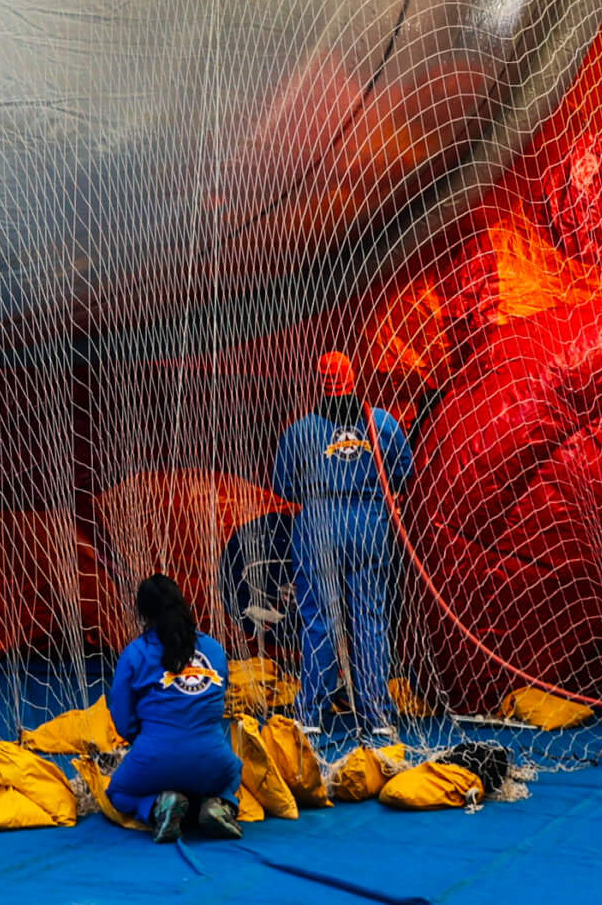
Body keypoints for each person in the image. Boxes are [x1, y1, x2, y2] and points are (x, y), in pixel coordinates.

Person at [271, 350, 413, 732]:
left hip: (319, 522)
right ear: (353, 377)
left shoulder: (299, 430)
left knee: (318, 620)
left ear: (320, 381)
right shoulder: (382, 423)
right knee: (369, 618)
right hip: (368, 523)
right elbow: (403, 472)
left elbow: (283, 486)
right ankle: (377, 713)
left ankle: (312, 714)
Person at [105, 573, 245, 843]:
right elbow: (219, 701)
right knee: (233, 773)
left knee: (118, 794)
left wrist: (147, 742)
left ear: (143, 612)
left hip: (154, 756)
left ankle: (159, 806)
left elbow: (123, 719)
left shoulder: (134, 653)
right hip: (212, 759)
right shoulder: (214, 649)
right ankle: (218, 805)